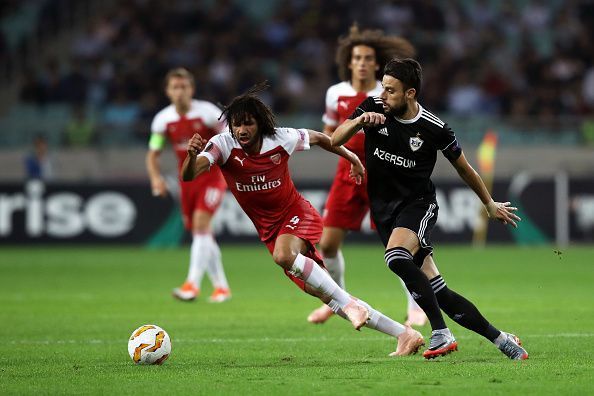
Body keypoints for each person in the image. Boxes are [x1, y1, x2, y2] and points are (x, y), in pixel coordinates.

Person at [181, 83, 425, 356]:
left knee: (286, 257)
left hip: (298, 215)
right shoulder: (223, 145)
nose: (241, 131)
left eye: (248, 124)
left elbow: (322, 138)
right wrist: (191, 157)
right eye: (236, 125)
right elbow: (190, 174)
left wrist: (353, 157)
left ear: (259, 124)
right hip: (270, 232)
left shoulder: (281, 138)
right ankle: (404, 334)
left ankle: (350, 303)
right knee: (328, 297)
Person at [331, 58, 529, 360]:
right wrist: (359, 121)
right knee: (440, 293)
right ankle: (502, 339)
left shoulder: (433, 128)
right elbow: (335, 138)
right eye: (383, 88)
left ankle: (440, 333)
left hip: (417, 206)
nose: (384, 95)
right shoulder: (372, 106)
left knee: (396, 258)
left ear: (410, 93)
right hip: (384, 212)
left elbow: (464, 169)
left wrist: (488, 203)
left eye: (392, 91)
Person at [308, 25, 427, 327]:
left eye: (367, 58)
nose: (361, 62)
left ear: (376, 63)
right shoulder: (335, 93)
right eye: (357, 57)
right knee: (328, 244)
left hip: (383, 174)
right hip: (346, 172)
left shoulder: (386, 93)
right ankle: (340, 300)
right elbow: (329, 133)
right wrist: (348, 157)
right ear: (349, 62)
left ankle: (416, 305)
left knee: (397, 247)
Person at [146, 68, 231, 303]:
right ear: (167, 92)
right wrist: (156, 178)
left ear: (192, 89)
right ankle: (221, 287)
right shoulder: (163, 120)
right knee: (200, 232)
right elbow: (153, 153)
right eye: (175, 87)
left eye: (184, 87)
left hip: (213, 176)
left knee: (201, 225)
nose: (180, 92)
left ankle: (192, 284)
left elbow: (230, 137)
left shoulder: (208, 113)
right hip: (188, 179)